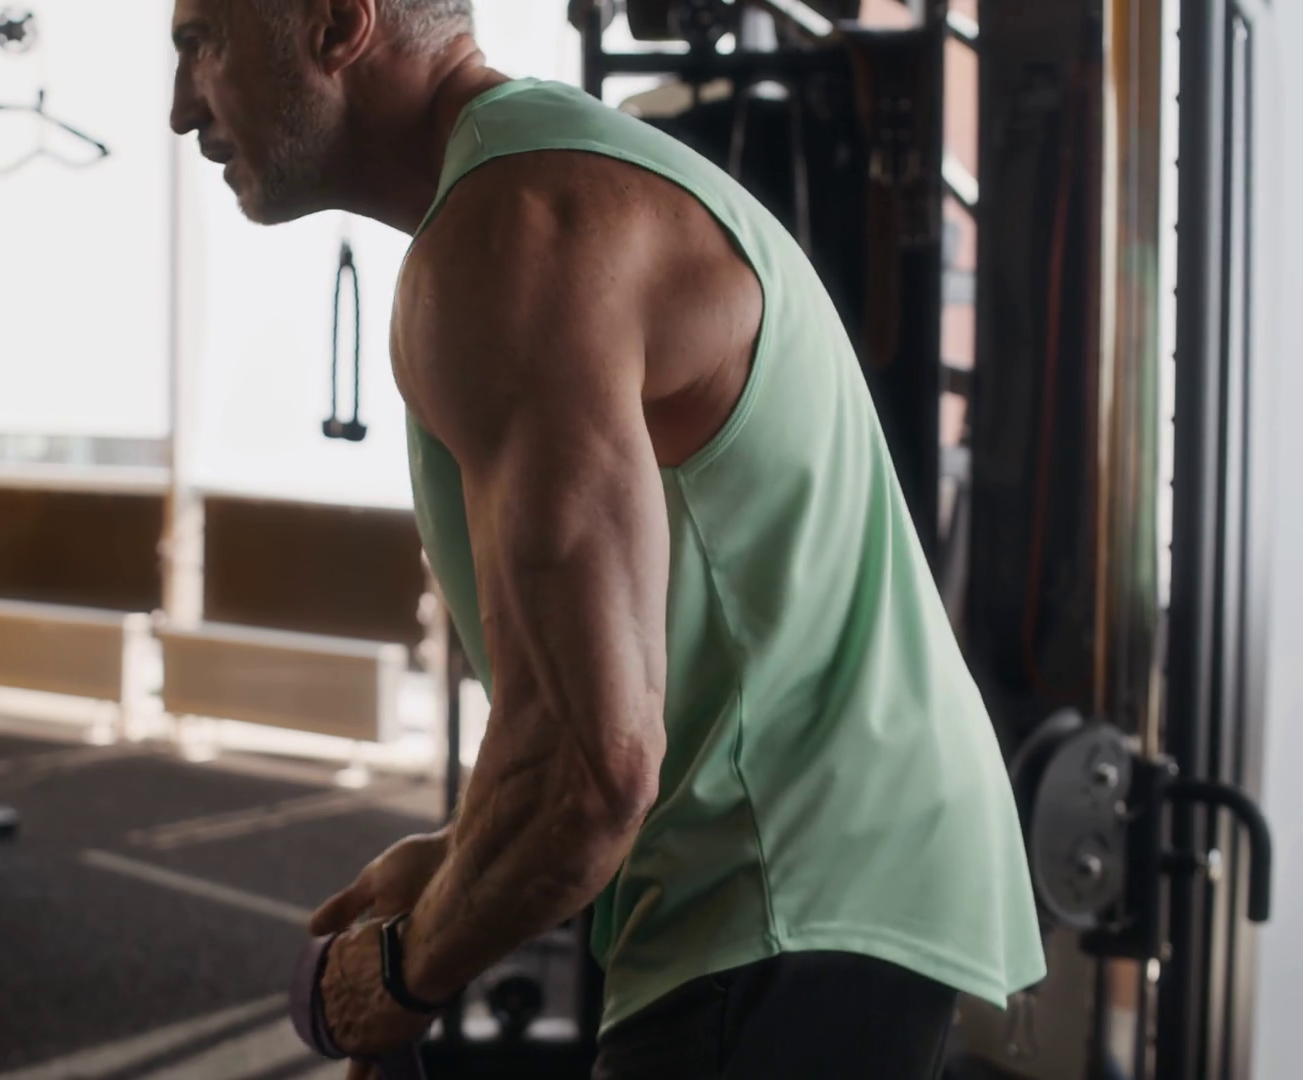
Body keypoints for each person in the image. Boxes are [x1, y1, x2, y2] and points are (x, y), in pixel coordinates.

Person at [168, 2, 1046, 1077]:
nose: (181, 109)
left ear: (338, 27)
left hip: (781, 895)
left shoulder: (512, 231)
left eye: (201, 42)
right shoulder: (544, 181)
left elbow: (595, 772)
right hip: (834, 874)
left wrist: (398, 975)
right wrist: (460, 860)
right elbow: (608, 697)